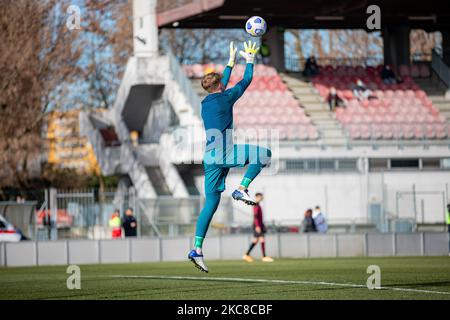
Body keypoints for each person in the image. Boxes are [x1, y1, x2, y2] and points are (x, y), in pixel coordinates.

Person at [188, 40, 272, 273]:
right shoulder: (225, 97)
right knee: (264, 154)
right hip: (224, 153)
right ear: (220, 87)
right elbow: (245, 82)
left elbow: (221, 84)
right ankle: (242, 188)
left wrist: (230, 63)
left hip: (209, 157)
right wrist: (250, 60)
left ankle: (197, 248)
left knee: (212, 203)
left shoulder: (206, 101)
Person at [243, 193, 274, 263]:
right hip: (257, 225)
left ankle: (246, 255)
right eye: (260, 197)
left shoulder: (258, 205)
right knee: (262, 239)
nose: (261, 198)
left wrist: (262, 225)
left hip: (259, 225)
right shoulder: (256, 205)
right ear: (257, 197)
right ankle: (264, 256)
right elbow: (256, 216)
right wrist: (257, 226)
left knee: (255, 240)